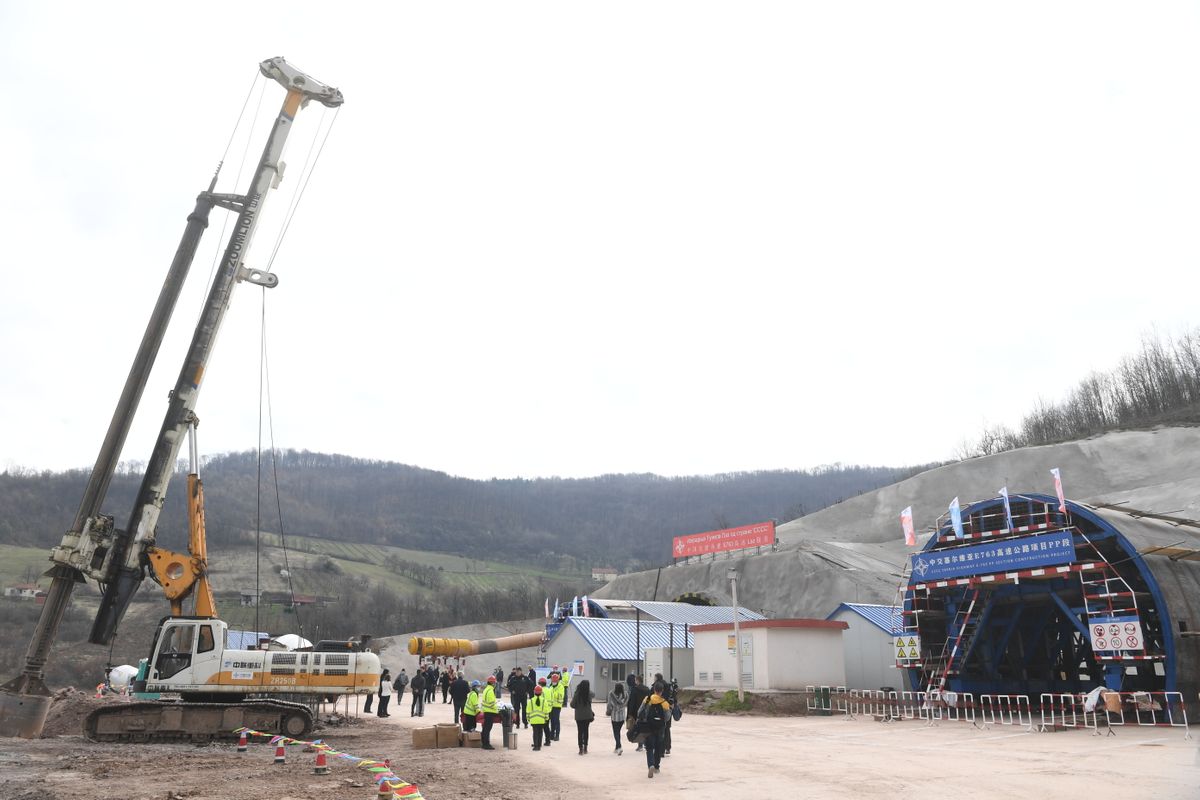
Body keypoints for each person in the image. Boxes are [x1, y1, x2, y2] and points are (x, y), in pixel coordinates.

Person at [639, 681, 671, 778]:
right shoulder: (665, 703)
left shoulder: (647, 699)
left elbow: (640, 711)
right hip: (660, 728)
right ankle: (657, 767)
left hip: (648, 727)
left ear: (654, 690)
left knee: (649, 748)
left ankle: (651, 765)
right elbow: (667, 717)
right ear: (661, 691)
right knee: (658, 747)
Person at [570, 679, 595, 754]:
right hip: (587, 716)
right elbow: (594, 694)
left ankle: (580, 749)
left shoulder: (577, 694)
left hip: (579, 716)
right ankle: (585, 748)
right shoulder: (589, 693)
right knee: (586, 731)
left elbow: (572, 705)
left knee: (580, 732)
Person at [626, 676, 650, 751]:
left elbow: (632, 702)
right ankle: (646, 744)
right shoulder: (647, 689)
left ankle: (640, 745)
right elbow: (649, 699)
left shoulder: (634, 690)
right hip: (646, 710)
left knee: (638, 728)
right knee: (646, 727)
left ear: (637, 681)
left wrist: (630, 713)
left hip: (637, 711)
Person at [526, 684, 551, 750]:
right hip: (541, 720)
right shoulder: (544, 701)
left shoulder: (530, 701)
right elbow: (546, 711)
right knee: (540, 732)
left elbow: (528, 711)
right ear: (541, 692)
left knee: (535, 732)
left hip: (533, 720)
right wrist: (546, 718)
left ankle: (535, 746)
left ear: (534, 692)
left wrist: (528, 719)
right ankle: (539, 746)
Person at [606, 682, 627, 755]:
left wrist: (608, 710)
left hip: (614, 716)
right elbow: (626, 703)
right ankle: (616, 747)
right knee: (618, 732)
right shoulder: (625, 694)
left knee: (616, 732)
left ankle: (619, 747)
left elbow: (609, 704)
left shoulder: (611, 694)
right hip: (622, 716)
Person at [480, 675, 500, 750]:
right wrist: (497, 708)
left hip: (486, 711)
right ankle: (486, 744)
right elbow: (491, 703)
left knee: (485, 728)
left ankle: (484, 743)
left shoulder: (486, 689)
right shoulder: (490, 691)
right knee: (487, 728)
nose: (495, 684)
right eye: (494, 683)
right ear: (492, 683)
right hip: (490, 712)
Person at [547, 671, 566, 741]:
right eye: (553, 679)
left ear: (558, 680)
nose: (554, 681)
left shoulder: (561, 687)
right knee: (551, 721)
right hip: (551, 706)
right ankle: (552, 735)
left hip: (557, 706)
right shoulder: (550, 686)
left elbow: (560, 695)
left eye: (555, 679)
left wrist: (552, 693)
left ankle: (557, 735)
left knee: (556, 721)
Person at [534, 678, 552, 747]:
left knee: (539, 728)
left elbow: (539, 701)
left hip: (541, 711)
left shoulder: (541, 690)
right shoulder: (549, 690)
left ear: (540, 683)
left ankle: (537, 742)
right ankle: (548, 741)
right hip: (549, 710)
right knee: (546, 727)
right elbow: (552, 700)